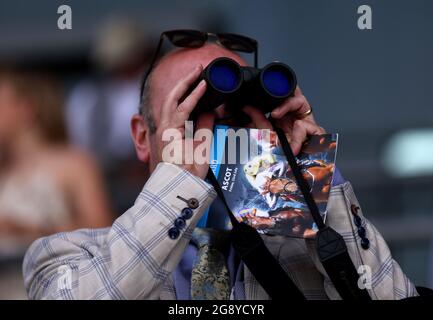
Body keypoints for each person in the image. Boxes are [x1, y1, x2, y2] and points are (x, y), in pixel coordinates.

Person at [23, 35, 418, 299]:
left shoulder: (304, 251)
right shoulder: (67, 255)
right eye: (193, 115)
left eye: (237, 122)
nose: (215, 139)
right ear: (143, 137)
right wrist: (180, 181)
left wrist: (311, 175)